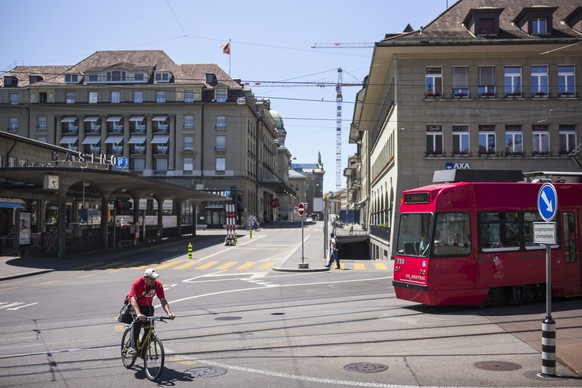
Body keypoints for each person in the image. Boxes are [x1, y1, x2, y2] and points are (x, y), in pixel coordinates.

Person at [127, 267, 175, 354]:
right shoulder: (137, 283)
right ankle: (132, 346)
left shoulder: (158, 285)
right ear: (146, 277)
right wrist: (138, 314)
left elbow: (163, 300)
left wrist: (169, 313)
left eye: (155, 278)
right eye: (151, 279)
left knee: (149, 329)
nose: (153, 280)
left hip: (148, 308)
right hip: (136, 307)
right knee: (137, 324)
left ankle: (142, 351)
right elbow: (133, 300)